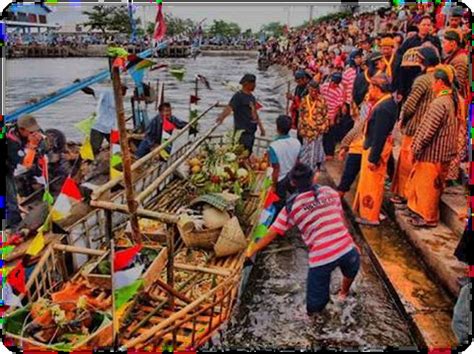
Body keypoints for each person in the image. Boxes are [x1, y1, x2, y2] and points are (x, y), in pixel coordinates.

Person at [246, 163, 361, 315]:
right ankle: (343, 294)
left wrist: (251, 251)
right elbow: (340, 218)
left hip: (322, 257)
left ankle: (315, 325)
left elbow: (273, 232)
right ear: (314, 177)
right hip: (348, 250)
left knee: (313, 308)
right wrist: (352, 242)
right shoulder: (330, 192)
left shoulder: (292, 206)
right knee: (350, 268)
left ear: (293, 183)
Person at [405, 65, 459, 227]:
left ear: (441, 83)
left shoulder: (440, 102)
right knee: (431, 186)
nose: (432, 85)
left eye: (434, 82)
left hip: (433, 153)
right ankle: (426, 214)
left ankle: (428, 217)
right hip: (442, 152)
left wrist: (415, 149)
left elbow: (428, 130)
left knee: (428, 188)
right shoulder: (449, 99)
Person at [391, 46, 440, 205]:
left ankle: (403, 194)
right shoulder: (440, 78)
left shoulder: (423, 79)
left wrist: (402, 119)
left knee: (406, 162)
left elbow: (410, 105)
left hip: (415, 127)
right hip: (431, 126)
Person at [353, 74, 398, 226]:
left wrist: (373, 158)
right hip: (374, 145)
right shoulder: (387, 103)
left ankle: (370, 215)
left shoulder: (383, 108)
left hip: (375, 148)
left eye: (371, 87)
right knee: (372, 182)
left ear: (377, 88)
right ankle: (371, 212)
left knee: (372, 183)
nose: (369, 90)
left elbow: (379, 135)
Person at [6, 116, 44, 230]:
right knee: (10, 198)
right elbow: (26, 163)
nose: (35, 133)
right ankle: (14, 226)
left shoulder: (21, 126)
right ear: (21, 129)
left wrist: (39, 141)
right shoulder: (11, 140)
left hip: (9, 164)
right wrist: (32, 145)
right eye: (31, 132)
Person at [393, 15, 442, 101]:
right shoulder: (410, 41)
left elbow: (439, 58)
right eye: (423, 25)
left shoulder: (434, 40)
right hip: (409, 78)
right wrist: (400, 89)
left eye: (428, 25)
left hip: (428, 77)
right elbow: (400, 60)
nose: (426, 27)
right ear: (418, 25)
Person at [216, 74, 265, 156]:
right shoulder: (238, 96)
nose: (255, 85)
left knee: (248, 153)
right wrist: (221, 117)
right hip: (241, 133)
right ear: (246, 84)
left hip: (251, 132)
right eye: (253, 83)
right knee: (240, 155)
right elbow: (229, 108)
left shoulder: (252, 97)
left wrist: (261, 128)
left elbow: (255, 113)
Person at [442, 30, 468, 184]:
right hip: (454, 102)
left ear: (453, 43)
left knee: (455, 141)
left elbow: (455, 86)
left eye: (445, 42)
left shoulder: (460, 60)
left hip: (459, 104)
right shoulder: (454, 57)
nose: (444, 45)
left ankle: (451, 176)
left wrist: (440, 93)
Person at [78, 81, 128, 156]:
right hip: (99, 126)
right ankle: (90, 163)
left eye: (125, 91)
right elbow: (91, 91)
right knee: (94, 148)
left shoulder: (120, 99)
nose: (124, 93)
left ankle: (116, 165)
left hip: (113, 127)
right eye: (123, 90)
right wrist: (80, 85)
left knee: (117, 148)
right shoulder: (107, 93)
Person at [268, 115, 301, 213]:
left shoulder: (273, 146)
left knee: (279, 203)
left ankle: (279, 219)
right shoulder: (296, 142)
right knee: (294, 196)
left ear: (277, 128)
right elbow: (297, 161)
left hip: (280, 179)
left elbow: (276, 169)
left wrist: (273, 186)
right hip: (291, 175)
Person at [298, 80, 329, 173]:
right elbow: (301, 115)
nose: (313, 93)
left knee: (316, 149)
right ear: (308, 90)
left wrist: (323, 127)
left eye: (315, 91)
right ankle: (305, 167)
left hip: (318, 130)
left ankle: (312, 168)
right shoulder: (304, 100)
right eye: (311, 91)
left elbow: (325, 115)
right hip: (306, 129)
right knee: (306, 149)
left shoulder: (322, 101)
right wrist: (302, 127)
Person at [321, 72, 345, 160]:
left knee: (330, 135)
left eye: (335, 83)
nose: (333, 84)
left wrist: (332, 118)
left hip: (332, 113)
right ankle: (322, 151)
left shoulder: (339, 91)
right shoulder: (324, 86)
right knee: (322, 133)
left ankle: (329, 153)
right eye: (332, 82)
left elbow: (338, 106)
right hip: (322, 112)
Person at [287, 69, 311, 142]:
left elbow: (306, 103)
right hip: (298, 113)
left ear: (305, 79)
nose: (298, 83)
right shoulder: (298, 87)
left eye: (299, 81)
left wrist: (293, 98)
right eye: (296, 81)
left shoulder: (309, 89)